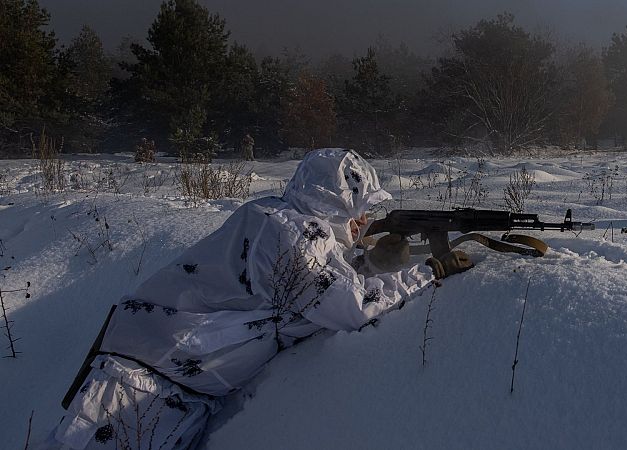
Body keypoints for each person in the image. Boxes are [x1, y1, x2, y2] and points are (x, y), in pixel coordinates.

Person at [46, 149, 473, 449]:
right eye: (359, 207)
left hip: (170, 387)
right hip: (138, 389)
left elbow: (302, 291)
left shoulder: (281, 218)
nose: (363, 221)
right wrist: (429, 271)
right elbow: (351, 308)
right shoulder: (295, 236)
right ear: (335, 202)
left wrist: (371, 266)